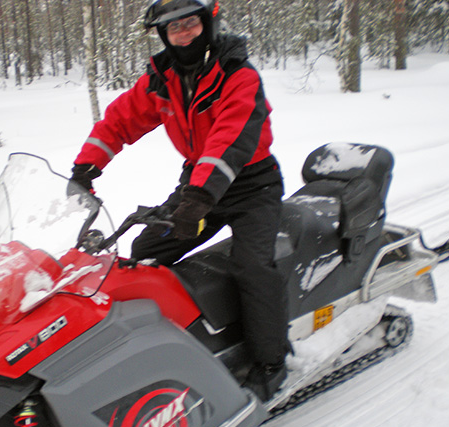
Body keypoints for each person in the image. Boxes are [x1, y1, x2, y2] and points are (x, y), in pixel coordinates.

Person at [70, 0, 290, 402]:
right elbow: (121, 118)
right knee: (148, 249)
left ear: (208, 23)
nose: (183, 33)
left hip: (251, 185)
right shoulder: (163, 78)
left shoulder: (237, 74)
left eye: (190, 23)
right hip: (198, 184)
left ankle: (271, 361)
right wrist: (86, 166)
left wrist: (200, 199)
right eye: (174, 28)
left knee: (253, 266)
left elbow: (230, 140)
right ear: (164, 35)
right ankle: (177, 341)